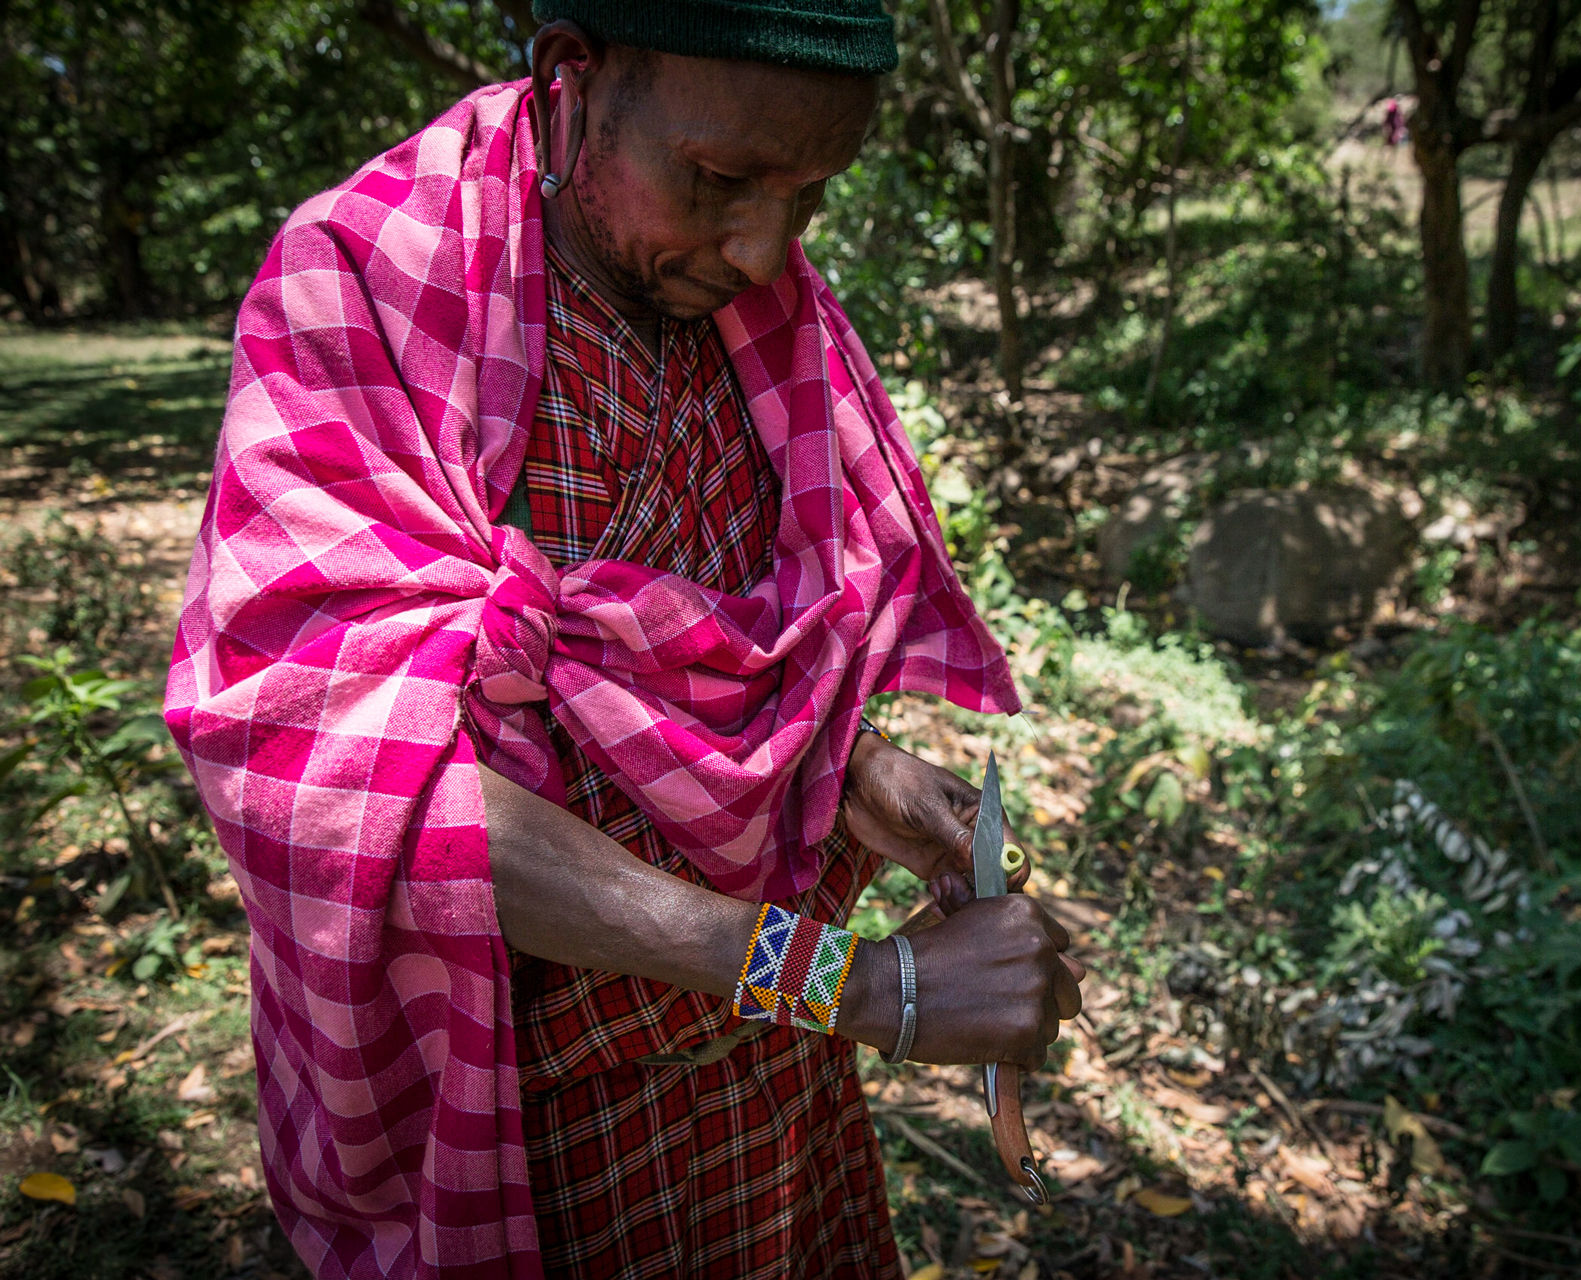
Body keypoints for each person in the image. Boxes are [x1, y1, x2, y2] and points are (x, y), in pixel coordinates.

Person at [163, 3, 1086, 1277]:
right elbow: (350, 779)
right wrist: (863, 986)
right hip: (533, 1114)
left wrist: (854, 767)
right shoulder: (361, 284)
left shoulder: (759, 315)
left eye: (810, 197)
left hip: (771, 1086)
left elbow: (725, 655)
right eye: (721, 181)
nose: (766, 252)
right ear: (574, 77)